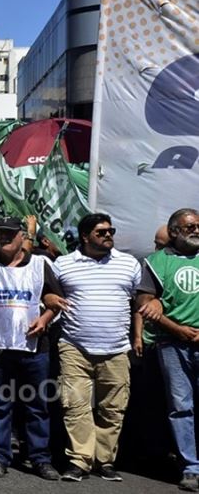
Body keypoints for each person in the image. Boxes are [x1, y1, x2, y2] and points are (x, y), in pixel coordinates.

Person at [53, 213, 141, 482]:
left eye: (110, 231)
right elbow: (49, 293)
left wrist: (137, 337)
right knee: (75, 406)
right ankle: (80, 460)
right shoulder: (63, 264)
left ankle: (105, 460)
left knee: (113, 408)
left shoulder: (129, 264)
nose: (108, 236)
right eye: (101, 232)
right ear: (85, 236)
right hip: (75, 347)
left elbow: (141, 302)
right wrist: (48, 295)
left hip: (116, 347)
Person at [0, 217, 62, 481]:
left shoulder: (40, 263)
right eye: (0, 234)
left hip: (34, 348)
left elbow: (54, 300)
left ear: (21, 236)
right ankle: (0, 457)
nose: (4, 238)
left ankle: (39, 458)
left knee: (37, 405)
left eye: (9, 234)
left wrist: (45, 319)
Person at [136, 208, 199, 492]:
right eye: (189, 227)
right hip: (172, 344)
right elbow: (146, 303)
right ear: (174, 231)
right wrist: (177, 328)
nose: (196, 230)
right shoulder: (155, 262)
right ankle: (191, 468)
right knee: (181, 407)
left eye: (198, 225)